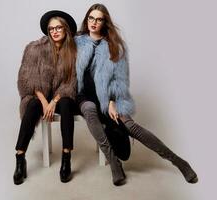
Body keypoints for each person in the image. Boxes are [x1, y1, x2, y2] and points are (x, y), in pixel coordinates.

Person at [75, 3, 198, 186]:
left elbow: (119, 80)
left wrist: (111, 101)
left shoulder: (115, 46)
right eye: (91, 18)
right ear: (86, 20)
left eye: (99, 19)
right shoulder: (76, 42)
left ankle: (179, 162)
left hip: (107, 98)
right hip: (84, 96)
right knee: (90, 109)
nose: (94, 22)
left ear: (105, 22)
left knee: (130, 126)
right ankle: (114, 165)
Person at [14, 10, 77, 185]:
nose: (55, 31)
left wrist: (54, 101)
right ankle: (20, 158)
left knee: (66, 104)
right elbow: (27, 79)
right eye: (51, 29)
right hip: (39, 95)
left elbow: (71, 83)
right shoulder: (35, 49)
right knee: (32, 106)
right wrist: (44, 101)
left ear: (65, 30)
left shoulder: (73, 51)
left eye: (58, 28)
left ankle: (66, 157)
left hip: (60, 96)